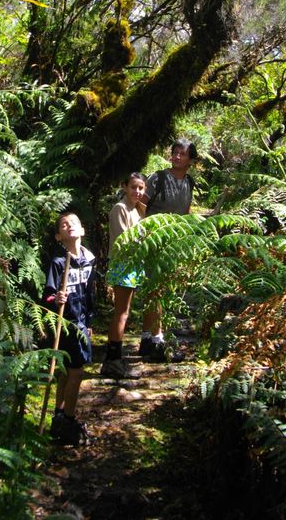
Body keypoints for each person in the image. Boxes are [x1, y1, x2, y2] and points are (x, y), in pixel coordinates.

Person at [139, 138, 198, 361]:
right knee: (156, 289)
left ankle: (147, 339)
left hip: (173, 242)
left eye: (182, 154)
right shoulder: (159, 178)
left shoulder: (189, 182)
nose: (177, 157)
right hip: (154, 240)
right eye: (174, 152)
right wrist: (147, 231)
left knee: (160, 289)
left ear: (190, 159)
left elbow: (186, 211)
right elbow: (142, 202)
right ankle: (157, 341)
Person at [42, 212, 95, 447]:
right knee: (74, 372)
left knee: (69, 371)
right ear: (58, 236)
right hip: (65, 323)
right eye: (63, 224)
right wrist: (57, 299)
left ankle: (61, 415)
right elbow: (48, 296)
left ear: (82, 230)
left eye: (73, 222)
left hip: (82, 322)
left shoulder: (89, 260)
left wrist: (91, 322)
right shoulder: (58, 263)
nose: (69, 225)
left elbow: (91, 294)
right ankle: (68, 418)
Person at [100, 172, 146, 380]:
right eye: (133, 187)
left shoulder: (136, 210)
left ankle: (115, 359)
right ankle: (112, 361)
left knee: (124, 311)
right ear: (125, 187)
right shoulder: (120, 209)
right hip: (123, 264)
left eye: (141, 188)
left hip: (134, 264)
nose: (137, 191)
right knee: (121, 312)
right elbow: (123, 240)